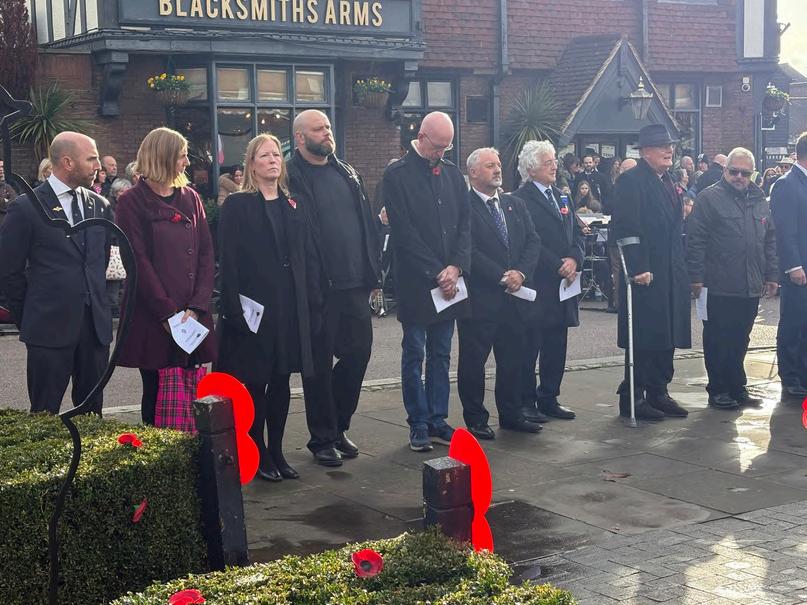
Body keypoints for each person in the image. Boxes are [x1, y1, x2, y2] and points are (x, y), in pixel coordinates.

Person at [217, 133, 322, 481]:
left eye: (276, 154)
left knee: (282, 380)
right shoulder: (238, 205)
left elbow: (308, 256)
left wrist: (313, 302)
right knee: (255, 383)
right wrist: (232, 309)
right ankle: (258, 449)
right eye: (264, 155)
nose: (273, 160)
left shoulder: (294, 204)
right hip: (254, 310)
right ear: (252, 164)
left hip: (290, 308)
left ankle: (276, 449)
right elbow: (228, 261)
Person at [287, 110, 381, 466]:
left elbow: (366, 223)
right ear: (300, 137)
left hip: (354, 282)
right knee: (319, 365)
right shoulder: (290, 176)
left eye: (328, 126)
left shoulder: (347, 172)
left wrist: (372, 274)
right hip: (318, 286)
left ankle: (339, 424)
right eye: (318, 129)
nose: (327, 132)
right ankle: (322, 438)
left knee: (359, 353)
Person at [0, 132, 112, 414]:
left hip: (94, 331)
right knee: (44, 414)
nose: (98, 165)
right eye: (91, 158)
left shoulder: (100, 205)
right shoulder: (26, 208)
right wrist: (30, 317)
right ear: (67, 162)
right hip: (47, 331)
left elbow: (99, 261)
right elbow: (9, 271)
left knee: (92, 415)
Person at [115, 127, 217, 425]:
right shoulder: (131, 201)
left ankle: (191, 446)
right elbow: (137, 260)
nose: (187, 162)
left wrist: (197, 306)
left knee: (193, 389)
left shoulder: (191, 197)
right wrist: (168, 313)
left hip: (191, 314)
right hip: (153, 314)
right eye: (182, 156)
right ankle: (158, 448)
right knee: (156, 390)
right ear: (164, 157)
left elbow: (206, 253)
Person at [384, 111, 470, 452]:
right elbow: (404, 232)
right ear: (421, 137)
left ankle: (438, 417)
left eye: (447, 147)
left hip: (449, 280)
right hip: (417, 282)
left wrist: (456, 266)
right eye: (437, 147)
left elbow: (465, 224)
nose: (442, 153)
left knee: (442, 353)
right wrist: (438, 271)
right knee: (415, 352)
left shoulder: (453, 174)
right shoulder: (397, 174)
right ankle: (418, 421)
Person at [458, 148, 542, 440]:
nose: (497, 170)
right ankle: (476, 418)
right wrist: (501, 276)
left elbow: (533, 241)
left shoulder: (514, 204)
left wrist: (521, 273)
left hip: (515, 299)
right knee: (473, 362)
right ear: (473, 172)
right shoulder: (464, 206)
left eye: (498, 165)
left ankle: (511, 413)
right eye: (489, 165)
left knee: (513, 359)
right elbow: (468, 249)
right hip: (481, 299)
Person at [610, 124, 691, 420]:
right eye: (662, 146)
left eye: (670, 146)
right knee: (644, 335)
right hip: (646, 273)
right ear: (645, 151)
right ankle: (634, 396)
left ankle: (659, 391)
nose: (669, 150)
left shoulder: (669, 180)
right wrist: (638, 267)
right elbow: (626, 228)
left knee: (667, 333)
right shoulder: (631, 181)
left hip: (670, 270)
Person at [687, 147, 778, 409]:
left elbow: (770, 240)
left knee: (741, 338)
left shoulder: (760, 200)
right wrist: (696, 277)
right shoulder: (708, 198)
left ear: (753, 174)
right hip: (718, 284)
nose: (739, 177)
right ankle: (718, 389)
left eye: (745, 173)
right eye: (734, 171)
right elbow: (696, 240)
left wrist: (772, 274)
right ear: (725, 170)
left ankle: (737, 387)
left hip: (749, 284)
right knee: (718, 339)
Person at [514, 140, 584, 423]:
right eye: (548, 162)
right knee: (529, 346)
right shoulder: (520, 199)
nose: (555, 166)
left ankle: (549, 397)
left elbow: (576, 233)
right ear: (531, 169)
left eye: (554, 160)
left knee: (557, 344)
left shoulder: (562, 196)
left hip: (563, 285)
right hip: (539, 282)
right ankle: (526, 401)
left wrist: (575, 259)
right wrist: (557, 264)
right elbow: (528, 241)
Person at [770, 131, 807, 400]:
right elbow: (784, 230)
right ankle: (791, 376)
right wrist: (793, 265)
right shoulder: (787, 184)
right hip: (799, 267)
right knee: (794, 322)